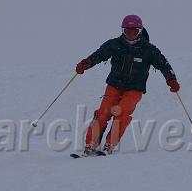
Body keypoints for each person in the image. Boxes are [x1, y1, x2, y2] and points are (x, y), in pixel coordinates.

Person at [75, 14, 180, 156]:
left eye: (134, 32)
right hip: (114, 85)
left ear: (140, 31)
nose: (130, 35)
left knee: (122, 111)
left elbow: (163, 65)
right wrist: (86, 63)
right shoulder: (115, 44)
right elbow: (99, 54)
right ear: (122, 30)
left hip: (134, 88)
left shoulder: (148, 49)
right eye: (127, 31)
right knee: (104, 112)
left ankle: (109, 144)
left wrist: (171, 79)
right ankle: (90, 145)